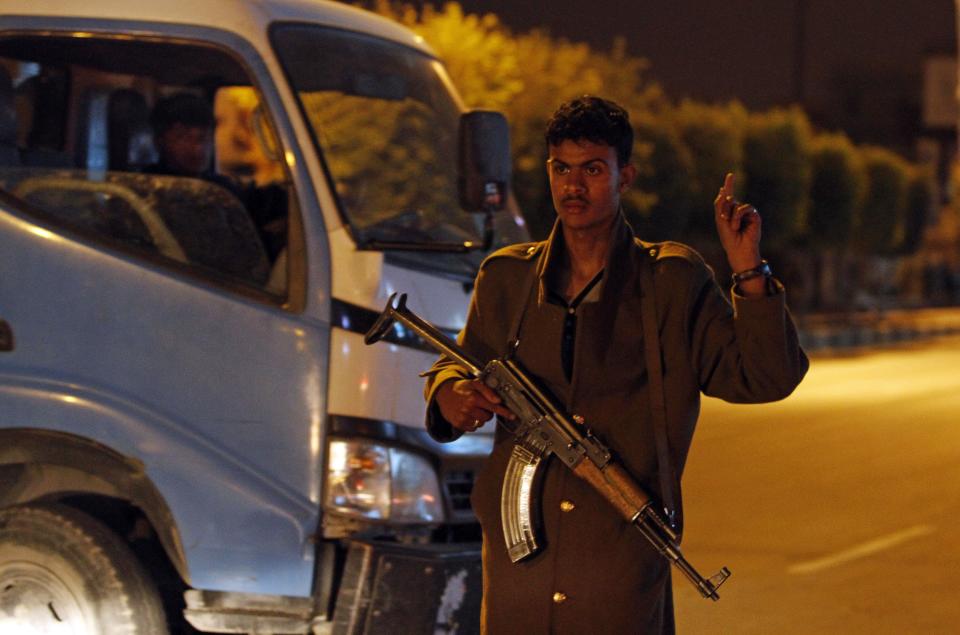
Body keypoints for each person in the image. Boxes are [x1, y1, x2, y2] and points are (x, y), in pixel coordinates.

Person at [423, 96, 808, 634]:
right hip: (518, 578)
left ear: (624, 177)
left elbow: (766, 376)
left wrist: (748, 270)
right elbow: (457, 363)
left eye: (592, 170)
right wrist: (449, 395)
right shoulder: (506, 278)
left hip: (619, 569)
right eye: (562, 168)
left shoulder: (671, 282)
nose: (573, 186)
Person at [146, 92, 287, 261]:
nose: (196, 148)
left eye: (202, 138)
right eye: (182, 137)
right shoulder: (151, 188)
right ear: (159, 141)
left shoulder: (216, 186)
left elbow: (253, 203)